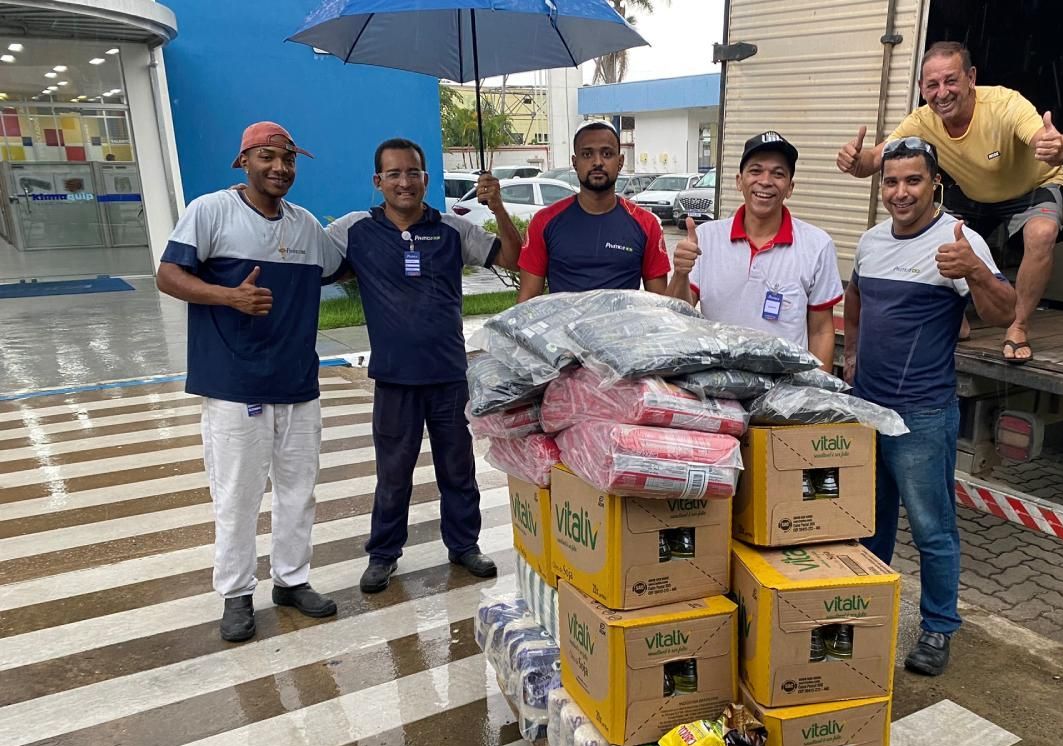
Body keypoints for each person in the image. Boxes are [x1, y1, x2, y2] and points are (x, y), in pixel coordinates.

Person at [156, 122, 346, 643]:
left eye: (288, 158)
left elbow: (342, 267)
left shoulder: (305, 225)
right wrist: (228, 296)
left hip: (297, 384)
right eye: (268, 156)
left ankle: (291, 579)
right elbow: (167, 275)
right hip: (234, 384)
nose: (280, 167)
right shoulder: (210, 211)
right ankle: (237, 594)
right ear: (244, 162)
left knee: (298, 492)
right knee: (237, 496)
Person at [843, 137, 1014, 676]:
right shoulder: (871, 241)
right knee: (868, 527)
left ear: (934, 183)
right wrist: (849, 359)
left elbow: (1000, 311)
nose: (900, 192)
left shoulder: (961, 241)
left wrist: (975, 272)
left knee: (932, 528)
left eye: (913, 180)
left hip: (922, 415)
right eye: (891, 181)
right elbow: (856, 297)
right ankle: (866, 613)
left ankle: (939, 628)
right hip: (868, 410)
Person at [327, 138, 521, 591]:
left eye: (412, 172)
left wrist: (498, 207)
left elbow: (513, 258)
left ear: (426, 179)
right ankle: (383, 554)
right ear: (378, 182)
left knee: (458, 469)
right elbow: (313, 263)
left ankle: (464, 545)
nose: (404, 182)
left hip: (450, 375)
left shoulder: (452, 229)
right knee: (393, 474)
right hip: (395, 378)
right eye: (393, 174)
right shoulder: (354, 230)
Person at [837, 41, 1063, 363]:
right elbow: (873, 161)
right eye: (932, 85)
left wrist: (1058, 147)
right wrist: (854, 160)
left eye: (951, 81)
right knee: (930, 233)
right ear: (921, 88)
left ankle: (1018, 325)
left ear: (971, 77)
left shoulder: (1005, 104)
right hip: (975, 191)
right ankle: (953, 315)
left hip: (1032, 185)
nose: (942, 92)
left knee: (1041, 234)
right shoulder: (922, 120)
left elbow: (1051, 141)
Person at [667, 131, 843, 369]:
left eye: (778, 173)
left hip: (785, 390)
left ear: (790, 187)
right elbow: (677, 316)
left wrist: (816, 392)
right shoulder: (707, 238)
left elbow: (821, 331)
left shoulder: (817, 245)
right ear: (740, 181)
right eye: (756, 170)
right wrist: (680, 272)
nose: (766, 181)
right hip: (717, 383)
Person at [517, 120, 669, 300]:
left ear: (620, 162)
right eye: (587, 154)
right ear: (575, 162)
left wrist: (682, 272)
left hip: (622, 327)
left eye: (607, 153)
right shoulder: (543, 222)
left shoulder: (647, 225)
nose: (597, 162)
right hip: (563, 328)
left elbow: (660, 305)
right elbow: (526, 303)